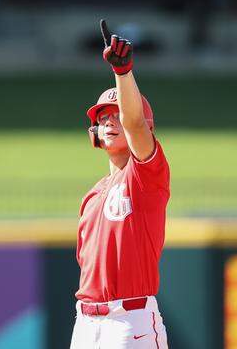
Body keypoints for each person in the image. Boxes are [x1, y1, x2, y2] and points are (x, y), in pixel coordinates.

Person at [70, 21, 170, 348]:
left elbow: (134, 123)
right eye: (103, 117)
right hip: (85, 322)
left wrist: (123, 72)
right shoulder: (92, 195)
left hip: (130, 322)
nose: (110, 121)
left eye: (116, 114)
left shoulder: (145, 176)